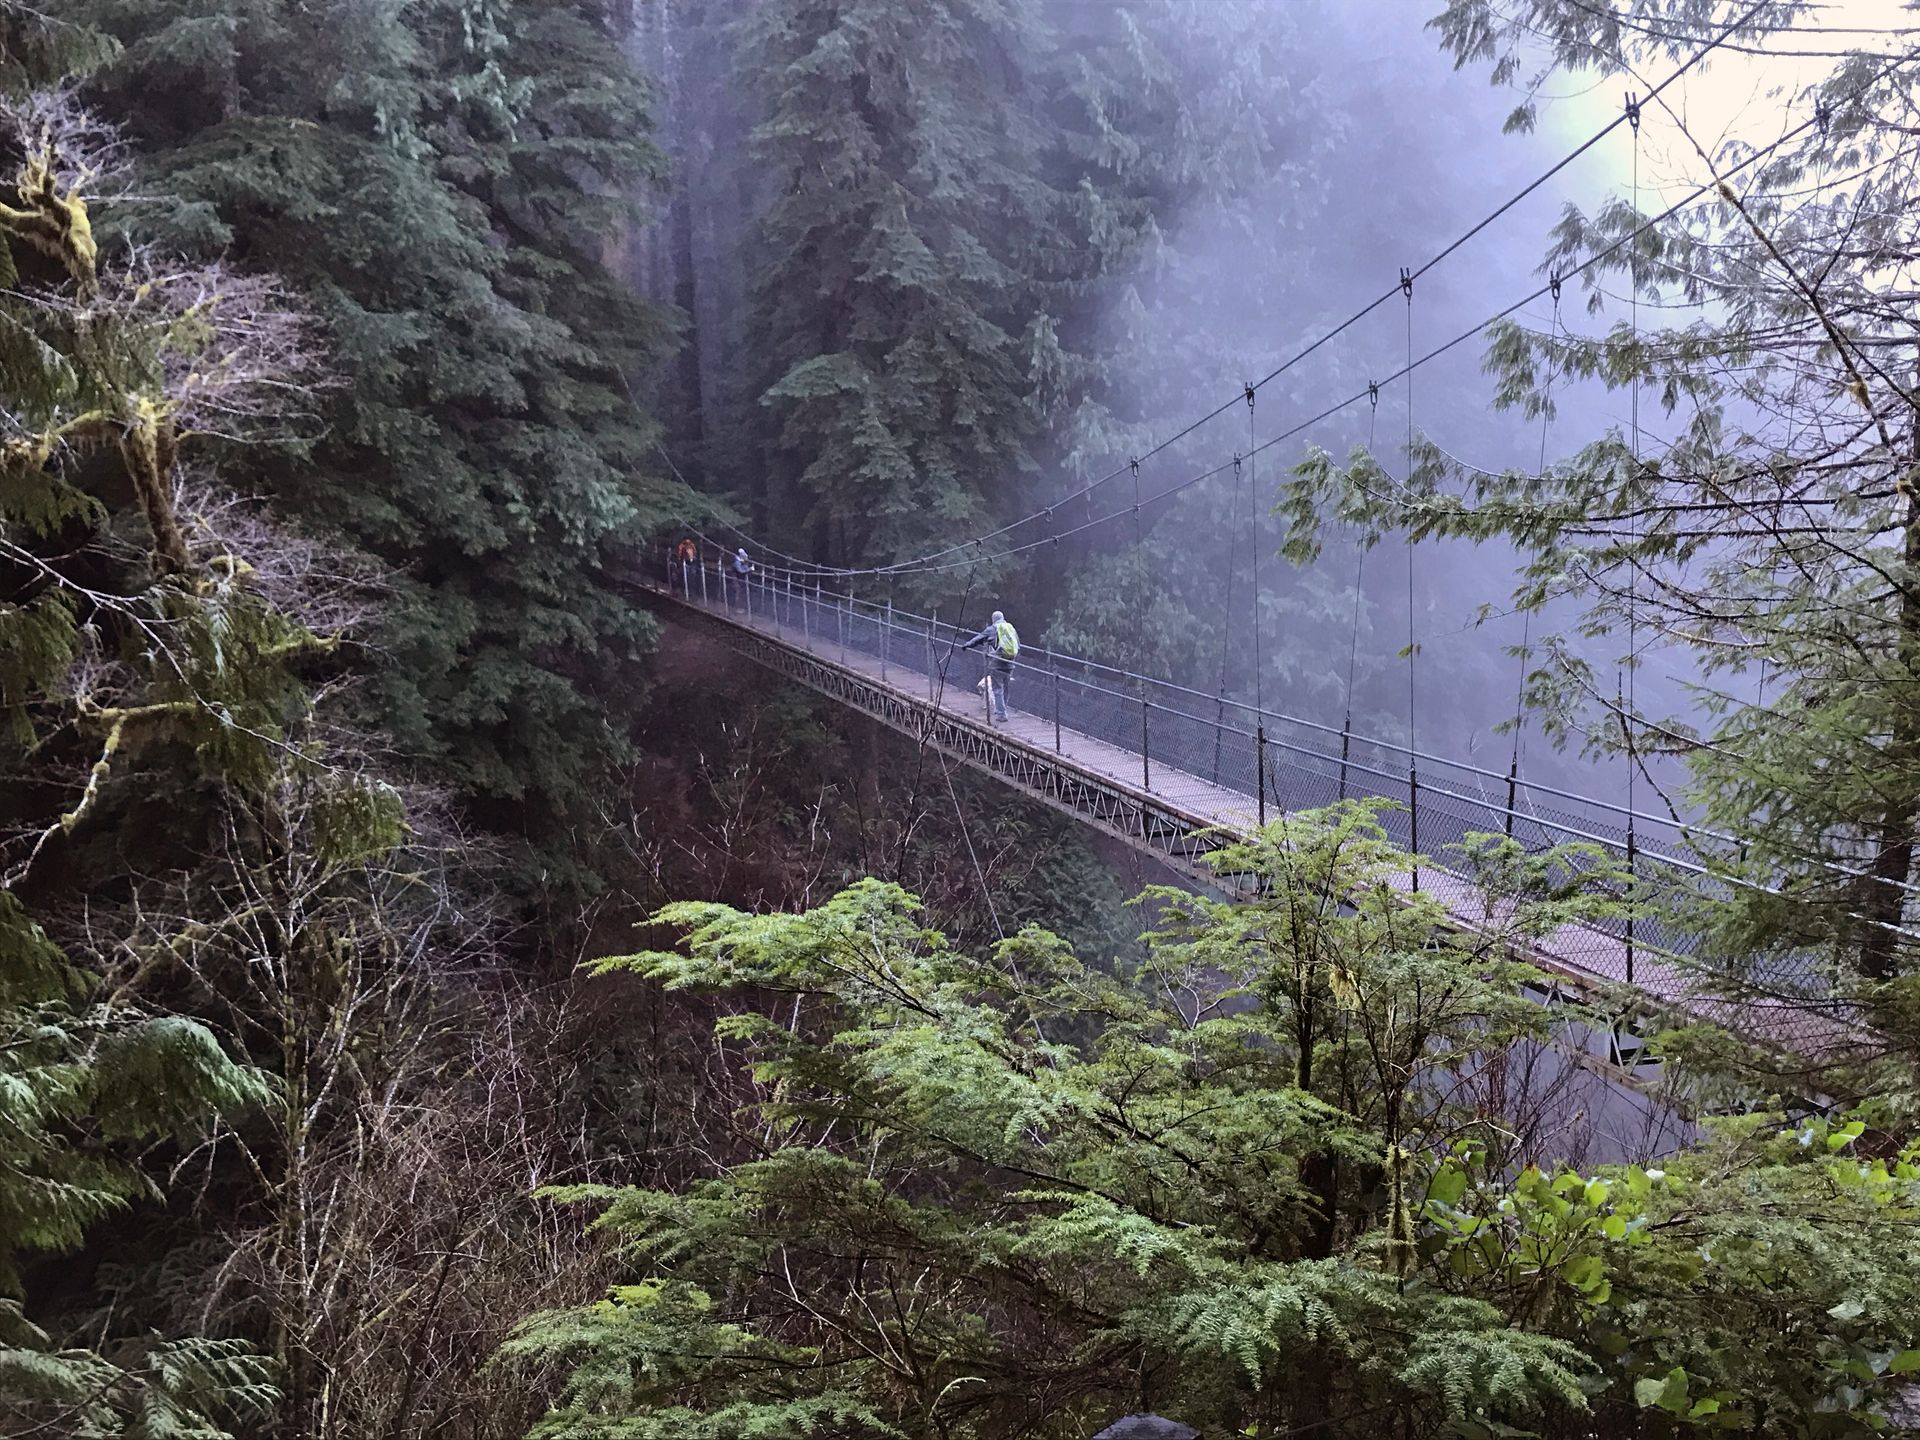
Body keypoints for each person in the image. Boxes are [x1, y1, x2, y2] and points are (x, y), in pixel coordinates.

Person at [961, 610, 1019, 722]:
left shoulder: (993, 629)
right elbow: (1018, 645)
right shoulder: (1011, 628)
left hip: (997, 663)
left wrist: (966, 645)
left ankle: (1002, 714)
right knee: (1006, 687)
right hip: (1010, 662)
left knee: (997, 688)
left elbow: (979, 638)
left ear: (993, 619)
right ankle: (1003, 708)